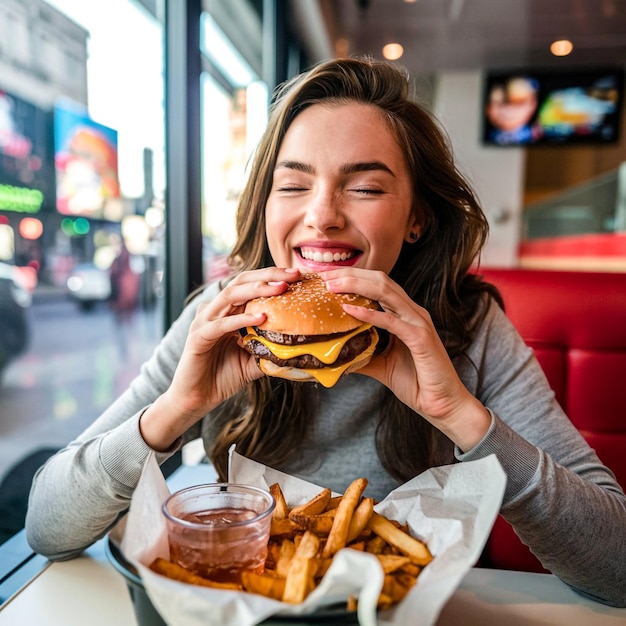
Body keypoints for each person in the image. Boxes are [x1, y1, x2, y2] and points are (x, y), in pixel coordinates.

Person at [26, 57, 625, 607]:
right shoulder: (224, 316)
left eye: (364, 187)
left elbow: (618, 569)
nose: (322, 214)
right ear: (266, 206)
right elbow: (47, 527)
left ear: (417, 218)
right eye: (293, 185)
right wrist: (178, 406)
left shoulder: (467, 325)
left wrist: (460, 414)